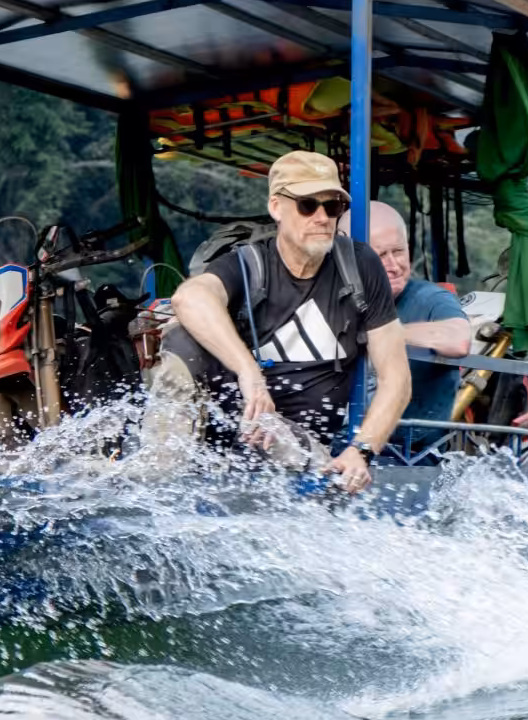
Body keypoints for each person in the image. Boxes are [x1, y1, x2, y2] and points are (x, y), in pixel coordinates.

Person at [148, 151, 409, 491]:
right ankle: (158, 476)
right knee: (183, 338)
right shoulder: (248, 264)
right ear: (276, 207)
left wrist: (361, 449)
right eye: (307, 205)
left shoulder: (360, 266)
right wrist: (249, 372)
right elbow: (189, 298)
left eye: (332, 207)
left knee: (289, 445)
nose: (322, 217)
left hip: (300, 444)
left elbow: (397, 379)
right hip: (232, 428)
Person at [363, 201, 472, 429]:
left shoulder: (430, 298)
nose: (393, 265)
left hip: (409, 452)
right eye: (380, 255)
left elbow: (459, 340)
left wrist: (387, 333)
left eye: (398, 251)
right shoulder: (337, 297)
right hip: (341, 442)